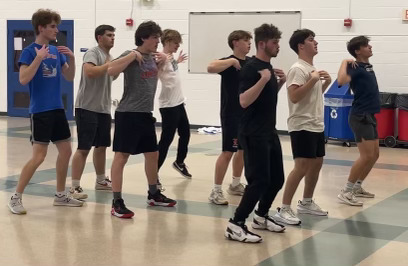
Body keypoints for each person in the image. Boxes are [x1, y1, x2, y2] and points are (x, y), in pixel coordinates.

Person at [8, 9, 83, 214]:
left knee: (66, 151)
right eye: (52, 26)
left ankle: (60, 195)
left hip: (57, 109)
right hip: (40, 111)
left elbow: (69, 76)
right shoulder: (30, 51)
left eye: (56, 26)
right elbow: (23, 79)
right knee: (39, 157)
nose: (56, 30)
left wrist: (73, 60)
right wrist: (38, 58)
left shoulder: (57, 51)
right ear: (41, 28)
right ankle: (16, 197)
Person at [108, 21, 177, 219]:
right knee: (122, 156)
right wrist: (131, 55)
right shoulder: (131, 54)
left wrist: (167, 58)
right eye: (155, 37)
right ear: (144, 38)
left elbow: (170, 64)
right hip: (128, 113)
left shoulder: (154, 57)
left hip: (146, 114)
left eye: (159, 37)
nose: (158, 41)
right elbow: (111, 71)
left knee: (152, 154)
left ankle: (153, 193)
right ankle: (117, 201)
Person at [224, 24, 286, 243]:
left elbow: (263, 99)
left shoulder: (267, 67)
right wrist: (262, 80)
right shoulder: (252, 68)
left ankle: (260, 216)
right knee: (258, 181)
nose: (278, 46)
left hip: (269, 131)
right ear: (262, 44)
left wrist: (279, 83)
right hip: (253, 132)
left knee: (277, 179)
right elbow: (243, 101)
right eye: (274, 42)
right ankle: (236, 223)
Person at [273, 29, 331, 226]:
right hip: (302, 124)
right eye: (311, 40)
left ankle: (306, 202)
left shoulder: (310, 68)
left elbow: (311, 97)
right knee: (301, 166)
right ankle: (284, 208)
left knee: (316, 164)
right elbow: (295, 97)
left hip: (316, 123)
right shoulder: (298, 68)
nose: (316, 43)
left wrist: (325, 84)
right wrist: (313, 79)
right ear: (300, 45)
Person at [69, 25, 117, 200]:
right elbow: (89, 72)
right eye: (109, 35)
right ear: (99, 37)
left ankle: (100, 180)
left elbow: (112, 74)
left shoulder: (109, 57)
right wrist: (109, 66)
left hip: (103, 108)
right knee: (83, 148)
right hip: (87, 107)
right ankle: (74, 186)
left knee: (102, 146)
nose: (113, 38)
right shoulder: (93, 53)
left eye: (114, 35)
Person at [207, 30, 252, 205]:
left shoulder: (250, 62)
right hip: (231, 114)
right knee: (228, 151)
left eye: (250, 41)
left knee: (242, 150)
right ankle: (216, 190)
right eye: (246, 40)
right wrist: (232, 61)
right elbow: (210, 67)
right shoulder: (228, 62)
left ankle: (235, 183)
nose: (249, 44)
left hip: (246, 113)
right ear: (235, 42)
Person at [337, 36, 380, 206]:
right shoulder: (354, 67)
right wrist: (344, 62)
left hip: (370, 114)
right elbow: (341, 81)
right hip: (360, 115)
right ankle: (346, 191)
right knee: (366, 155)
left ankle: (357, 186)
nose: (370, 47)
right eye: (366, 46)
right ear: (357, 51)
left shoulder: (366, 67)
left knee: (375, 155)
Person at [157, 29, 191, 184]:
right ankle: (154, 171)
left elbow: (170, 71)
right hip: (169, 105)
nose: (178, 46)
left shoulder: (170, 58)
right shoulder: (160, 56)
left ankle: (179, 162)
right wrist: (163, 60)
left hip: (178, 102)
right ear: (167, 42)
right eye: (176, 43)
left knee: (185, 133)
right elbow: (155, 67)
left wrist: (177, 61)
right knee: (166, 140)